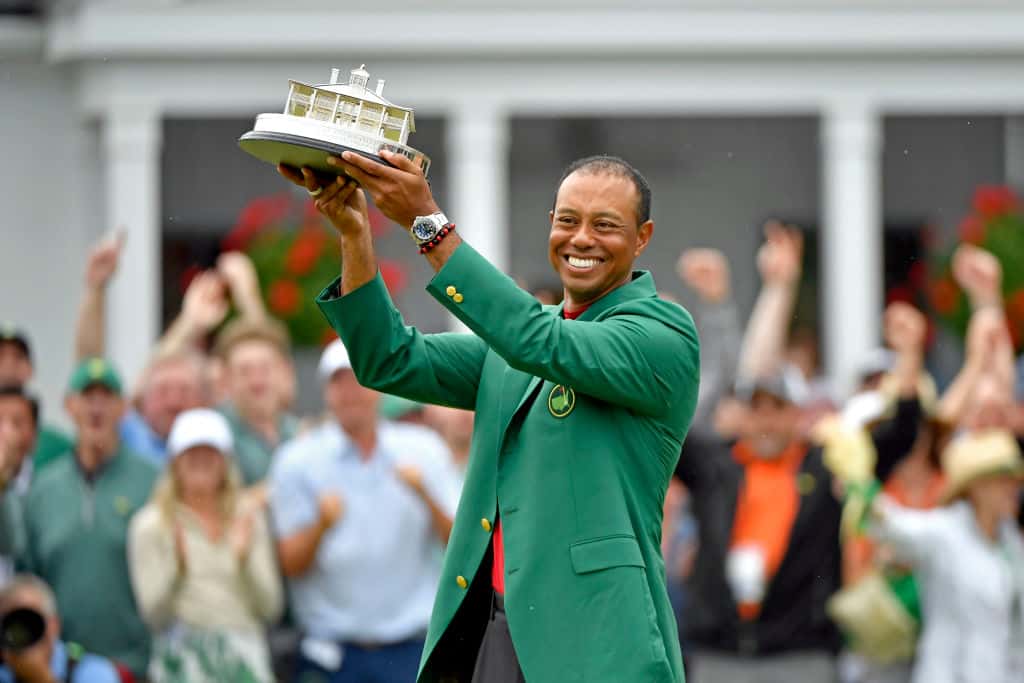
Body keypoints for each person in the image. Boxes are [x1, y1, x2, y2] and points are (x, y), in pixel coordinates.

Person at [278, 150, 700, 682]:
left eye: (606, 225)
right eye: (567, 220)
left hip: (599, 637)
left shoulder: (662, 333)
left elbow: (538, 340)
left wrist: (426, 224)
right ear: (550, 225)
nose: (582, 239)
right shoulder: (521, 344)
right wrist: (355, 235)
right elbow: (390, 360)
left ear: (643, 237)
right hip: (497, 630)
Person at [675, 232, 926, 683]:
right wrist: (717, 308)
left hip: (802, 657)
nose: (767, 421)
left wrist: (909, 354)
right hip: (719, 655)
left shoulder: (826, 463)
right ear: (744, 416)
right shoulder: (714, 465)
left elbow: (900, 437)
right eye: (758, 408)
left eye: (779, 408)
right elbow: (671, 420)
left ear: (799, 413)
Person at [269, 339, 460, 683]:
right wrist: (321, 525)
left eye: (358, 379)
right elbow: (291, 565)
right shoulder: (296, 460)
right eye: (338, 382)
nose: (350, 392)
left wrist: (425, 496)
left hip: (410, 645)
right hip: (330, 651)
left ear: (378, 388)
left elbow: (460, 546)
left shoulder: (424, 450)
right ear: (326, 392)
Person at [10, 358, 158, 679]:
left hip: (133, 664)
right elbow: (27, 577)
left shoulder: (152, 482)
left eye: (107, 398)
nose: (97, 408)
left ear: (123, 408)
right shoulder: (43, 488)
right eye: (87, 397)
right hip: (59, 664)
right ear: (69, 406)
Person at [128, 408, 283, 683]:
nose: (201, 461)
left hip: (244, 658)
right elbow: (153, 616)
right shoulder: (150, 525)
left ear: (225, 461)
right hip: (181, 660)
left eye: (210, 453)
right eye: (191, 453)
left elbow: (271, 607)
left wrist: (245, 560)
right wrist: (176, 568)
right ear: (175, 462)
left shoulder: (248, 518)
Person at [856, 430, 1024, 683]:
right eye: (1004, 480)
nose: (1013, 488)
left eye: (1014, 481)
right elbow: (891, 524)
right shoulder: (945, 531)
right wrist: (860, 487)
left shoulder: (1011, 541)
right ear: (977, 486)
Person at [213, 318, 299, 485]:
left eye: (265, 369)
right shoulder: (214, 434)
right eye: (245, 371)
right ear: (225, 378)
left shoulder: (296, 431)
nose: (257, 381)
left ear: (285, 371)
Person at [0, 574, 121, 683]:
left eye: (31, 621)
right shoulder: (4, 673)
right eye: (13, 625)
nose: (24, 634)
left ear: (54, 626)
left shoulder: (93, 672)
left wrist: (41, 678)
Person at [0, 327, 72, 471]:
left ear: (30, 369)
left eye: (18, 356)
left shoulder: (58, 446)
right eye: (1, 356)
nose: (9, 364)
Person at [0, 386, 38, 583]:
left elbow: (15, 546)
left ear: (33, 433)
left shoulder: (46, 486)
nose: (5, 432)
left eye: (16, 422)